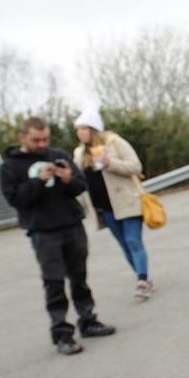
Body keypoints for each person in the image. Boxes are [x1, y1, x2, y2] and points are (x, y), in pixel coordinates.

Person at [0, 117, 116, 355]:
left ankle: (88, 321)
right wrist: (38, 181)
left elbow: (80, 186)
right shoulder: (10, 166)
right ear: (22, 138)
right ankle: (62, 333)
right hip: (43, 232)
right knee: (54, 283)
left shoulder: (58, 154)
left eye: (45, 139)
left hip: (72, 225)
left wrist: (67, 179)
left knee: (79, 277)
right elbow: (15, 199)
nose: (42, 144)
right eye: (36, 140)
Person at [72, 110, 154, 299]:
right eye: (78, 129)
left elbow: (135, 166)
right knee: (125, 245)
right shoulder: (78, 153)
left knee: (133, 241)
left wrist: (110, 163)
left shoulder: (115, 143)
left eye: (83, 128)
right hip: (104, 208)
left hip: (127, 202)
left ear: (93, 129)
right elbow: (80, 182)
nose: (80, 132)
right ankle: (144, 278)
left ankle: (141, 280)